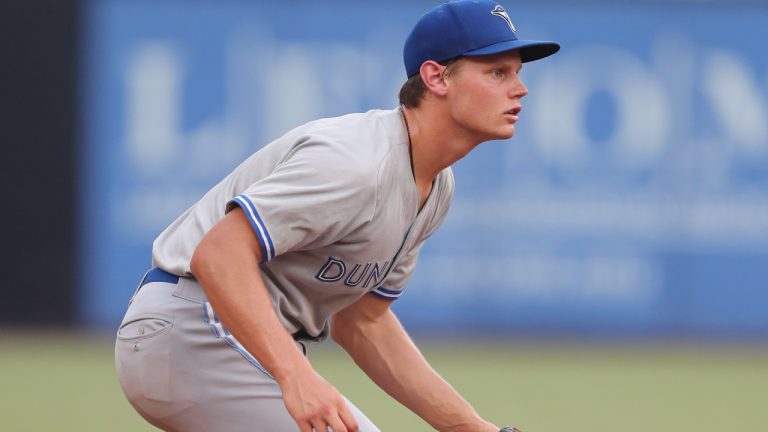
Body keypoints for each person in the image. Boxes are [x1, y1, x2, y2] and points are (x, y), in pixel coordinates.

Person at [114, 1, 559, 431]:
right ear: (436, 77)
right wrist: (295, 376)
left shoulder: (436, 185)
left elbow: (362, 322)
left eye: (517, 73)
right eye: (497, 72)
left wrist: (471, 428)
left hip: (219, 340)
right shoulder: (356, 161)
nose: (519, 88)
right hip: (192, 329)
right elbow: (218, 254)